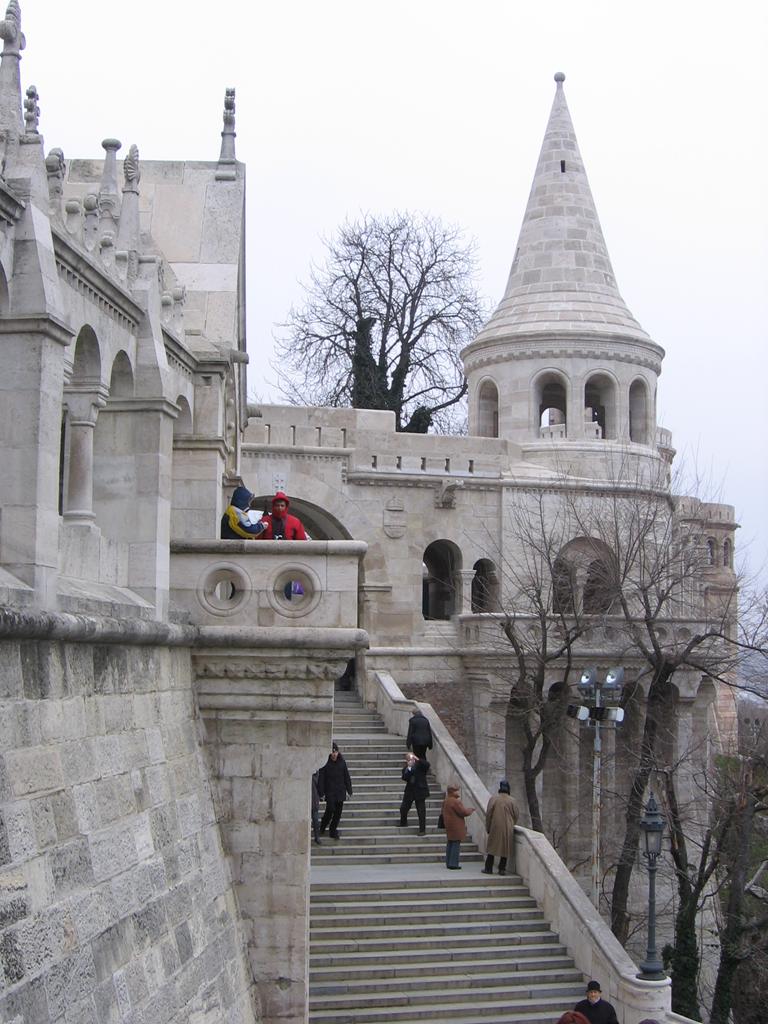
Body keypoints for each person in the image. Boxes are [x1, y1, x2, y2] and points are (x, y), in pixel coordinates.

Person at [482, 779, 518, 876]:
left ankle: (488, 868)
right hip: (508, 827)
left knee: (492, 848)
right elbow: (516, 815)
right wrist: (511, 823)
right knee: (505, 849)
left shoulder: (494, 799)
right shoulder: (512, 800)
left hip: (495, 826)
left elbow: (489, 814)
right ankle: (502, 869)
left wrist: (488, 827)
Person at [318, 742, 352, 839]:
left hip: (340, 792)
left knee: (338, 813)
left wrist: (349, 791)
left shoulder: (342, 762)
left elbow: (346, 777)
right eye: (332, 752)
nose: (334, 754)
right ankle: (323, 826)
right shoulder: (325, 763)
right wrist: (321, 793)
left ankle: (333, 830)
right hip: (330, 792)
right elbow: (321, 779)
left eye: (335, 752)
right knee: (330, 810)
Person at [441, 783, 474, 870]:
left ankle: (448, 862)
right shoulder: (455, 802)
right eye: (456, 790)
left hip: (449, 825)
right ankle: (453, 863)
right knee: (456, 844)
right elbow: (463, 812)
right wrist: (470, 810)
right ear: (452, 791)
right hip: (456, 826)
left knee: (450, 843)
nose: (458, 792)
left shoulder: (446, 800)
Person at [399, 753, 430, 834]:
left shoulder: (420, 765)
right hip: (410, 791)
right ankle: (403, 822)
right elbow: (404, 777)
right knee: (404, 808)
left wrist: (418, 759)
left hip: (420, 791)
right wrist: (409, 767)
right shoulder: (406, 768)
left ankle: (422, 830)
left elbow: (427, 765)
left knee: (421, 811)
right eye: (409, 759)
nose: (411, 761)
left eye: (412, 759)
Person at [311, 770, 321, 845]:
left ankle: (317, 836)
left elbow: (319, 785)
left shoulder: (316, 774)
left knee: (315, 819)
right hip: (308, 800)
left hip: (314, 800)